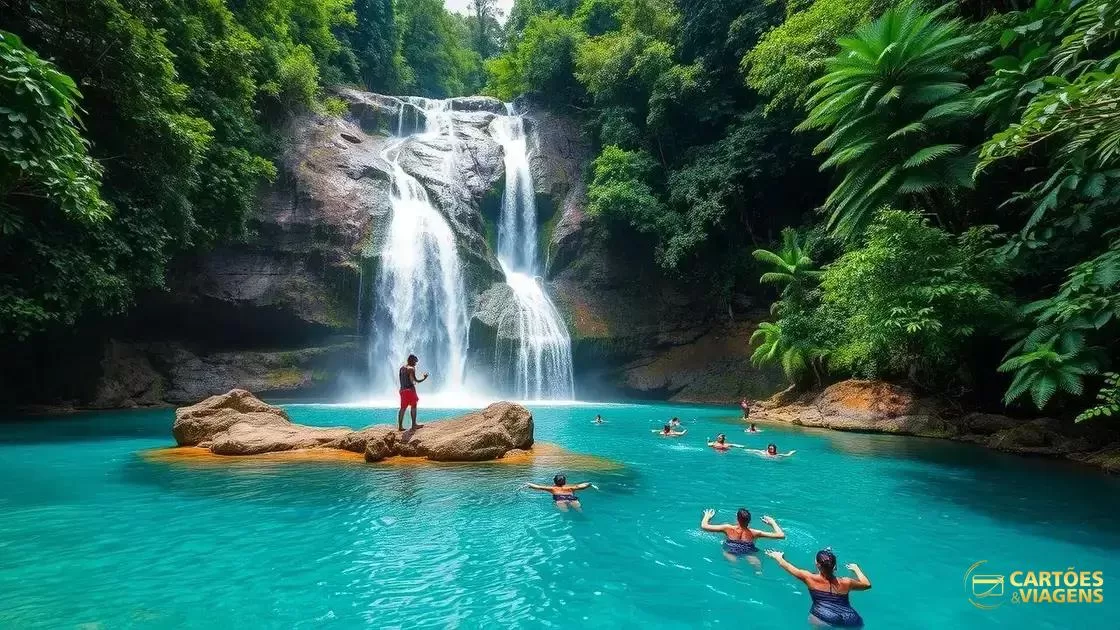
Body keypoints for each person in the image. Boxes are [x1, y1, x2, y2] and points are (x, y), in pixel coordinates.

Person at [765, 548, 870, 627]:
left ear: (818, 565)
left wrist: (778, 556)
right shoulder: (847, 582)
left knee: (814, 619)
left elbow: (787, 566)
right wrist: (856, 569)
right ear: (834, 566)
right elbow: (867, 585)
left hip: (823, 617)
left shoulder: (808, 578)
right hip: (850, 618)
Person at [701, 508, 785, 567]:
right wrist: (772, 522)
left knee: (733, 564)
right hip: (748, 551)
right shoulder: (755, 533)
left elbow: (704, 526)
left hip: (730, 550)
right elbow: (781, 535)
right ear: (749, 521)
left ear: (737, 519)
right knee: (757, 565)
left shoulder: (727, 528)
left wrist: (707, 516)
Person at [526, 474, 592, 512]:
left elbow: (538, 487)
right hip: (572, 499)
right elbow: (582, 486)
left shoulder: (552, 489)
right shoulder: (570, 487)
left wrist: (527, 484)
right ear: (565, 482)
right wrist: (589, 484)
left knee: (565, 512)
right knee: (579, 510)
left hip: (560, 501)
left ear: (554, 482)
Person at [397, 354, 428, 431]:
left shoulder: (402, 368)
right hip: (410, 390)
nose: (416, 363)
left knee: (402, 408)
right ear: (412, 361)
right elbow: (415, 381)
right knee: (414, 406)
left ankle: (400, 426)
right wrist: (424, 378)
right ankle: (414, 425)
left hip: (402, 390)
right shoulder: (411, 369)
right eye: (415, 361)